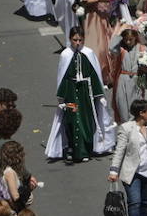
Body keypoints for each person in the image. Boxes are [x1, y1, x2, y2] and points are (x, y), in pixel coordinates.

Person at [45, 27, 116, 163]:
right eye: (74, 40)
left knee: (87, 120)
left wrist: (99, 94)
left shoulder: (88, 53)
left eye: (80, 40)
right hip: (71, 92)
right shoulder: (65, 54)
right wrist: (61, 96)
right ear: (70, 39)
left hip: (86, 93)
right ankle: (74, 149)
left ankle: (86, 150)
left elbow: (95, 74)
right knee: (72, 119)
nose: (77, 43)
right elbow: (63, 76)